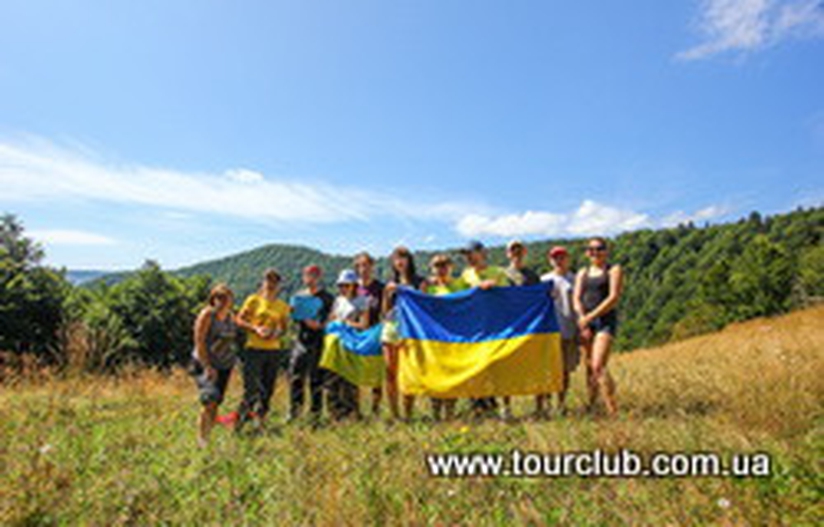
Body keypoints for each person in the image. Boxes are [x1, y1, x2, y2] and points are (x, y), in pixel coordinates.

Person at [235, 269, 291, 431]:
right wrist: (255, 328)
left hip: (273, 350)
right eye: (268, 280)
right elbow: (239, 319)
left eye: (275, 281)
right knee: (251, 389)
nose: (271, 284)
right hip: (254, 349)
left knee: (268, 388)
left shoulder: (282, 306)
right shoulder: (253, 300)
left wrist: (276, 333)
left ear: (279, 285)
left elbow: (284, 328)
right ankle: (240, 423)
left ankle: (260, 423)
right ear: (263, 282)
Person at [458, 240, 509, 417]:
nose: (468, 258)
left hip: (495, 327)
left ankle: (500, 407)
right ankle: (478, 407)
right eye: (465, 255)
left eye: (471, 253)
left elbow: (511, 297)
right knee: (474, 366)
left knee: (496, 367)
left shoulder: (498, 272)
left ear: (482, 253)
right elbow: (459, 296)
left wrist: (494, 287)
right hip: (473, 328)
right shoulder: (465, 275)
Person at [573, 237, 623, 416]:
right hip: (586, 321)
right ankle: (592, 405)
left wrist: (590, 316)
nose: (595, 252)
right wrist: (582, 318)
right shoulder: (583, 272)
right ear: (587, 252)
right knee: (589, 366)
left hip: (605, 320)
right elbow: (577, 297)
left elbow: (613, 297)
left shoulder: (613, 270)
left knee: (598, 365)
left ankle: (612, 408)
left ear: (606, 250)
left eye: (599, 248)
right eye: (591, 249)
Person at [381, 246, 427, 420]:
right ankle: (394, 414)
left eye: (403, 257)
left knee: (408, 371)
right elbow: (384, 312)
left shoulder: (419, 282)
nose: (400, 261)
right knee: (390, 373)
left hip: (411, 330)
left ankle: (408, 412)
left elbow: (424, 308)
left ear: (409, 261)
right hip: (391, 328)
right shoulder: (390, 283)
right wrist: (387, 294)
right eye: (396, 258)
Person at [191, 284, 238, 447]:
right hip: (206, 364)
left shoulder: (231, 317)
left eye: (226, 297)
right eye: (219, 297)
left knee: (216, 402)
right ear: (213, 299)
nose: (223, 301)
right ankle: (201, 441)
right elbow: (199, 341)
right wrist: (207, 366)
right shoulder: (207, 315)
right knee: (209, 400)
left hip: (225, 364)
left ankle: (208, 438)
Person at [499, 240, 541, 419]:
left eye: (518, 249)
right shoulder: (501, 275)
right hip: (508, 327)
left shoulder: (532, 276)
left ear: (524, 252)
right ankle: (506, 408)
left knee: (534, 366)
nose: (515, 252)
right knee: (506, 368)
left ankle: (539, 407)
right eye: (512, 249)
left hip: (528, 328)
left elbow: (539, 298)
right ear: (507, 253)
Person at [288, 265, 335, 424]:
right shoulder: (299, 296)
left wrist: (320, 325)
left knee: (316, 379)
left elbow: (332, 316)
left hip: (319, 340)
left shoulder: (328, 298)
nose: (310, 278)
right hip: (301, 340)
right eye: (307, 275)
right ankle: (295, 413)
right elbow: (294, 317)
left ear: (319, 276)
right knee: (296, 377)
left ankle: (315, 415)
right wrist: (295, 313)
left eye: (314, 275)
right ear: (303, 277)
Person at [538, 246, 580, 417]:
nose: (558, 260)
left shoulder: (575, 279)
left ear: (568, 259)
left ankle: (561, 405)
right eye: (555, 257)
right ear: (550, 260)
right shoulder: (544, 280)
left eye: (562, 257)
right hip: (548, 332)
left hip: (569, 330)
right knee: (546, 370)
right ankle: (545, 405)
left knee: (564, 370)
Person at [425, 254, 465, 421]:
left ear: (451, 267)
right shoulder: (430, 289)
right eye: (437, 266)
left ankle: (450, 412)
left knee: (451, 374)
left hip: (454, 337)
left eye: (444, 265)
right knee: (434, 375)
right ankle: (435, 412)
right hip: (434, 339)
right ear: (432, 269)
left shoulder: (460, 285)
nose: (441, 269)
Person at [327, 268, 370, 420]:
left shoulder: (362, 301)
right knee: (333, 378)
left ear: (354, 285)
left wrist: (346, 323)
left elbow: (364, 325)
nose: (343, 288)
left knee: (350, 380)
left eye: (346, 285)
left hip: (352, 343)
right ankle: (335, 413)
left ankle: (352, 413)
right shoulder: (338, 300)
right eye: (341, 285)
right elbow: (331, 319)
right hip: (336, 343)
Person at [354, 252, 385, 416]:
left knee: (376, 375)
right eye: (359, 265)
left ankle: (375, 409)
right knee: (355, 374)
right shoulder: (353, 288)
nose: (363, 268)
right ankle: (357, 410)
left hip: (375, 333)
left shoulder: (380, 288)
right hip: (356, 334)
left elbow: (386, 311)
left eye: (366, 265)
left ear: (372, 266)